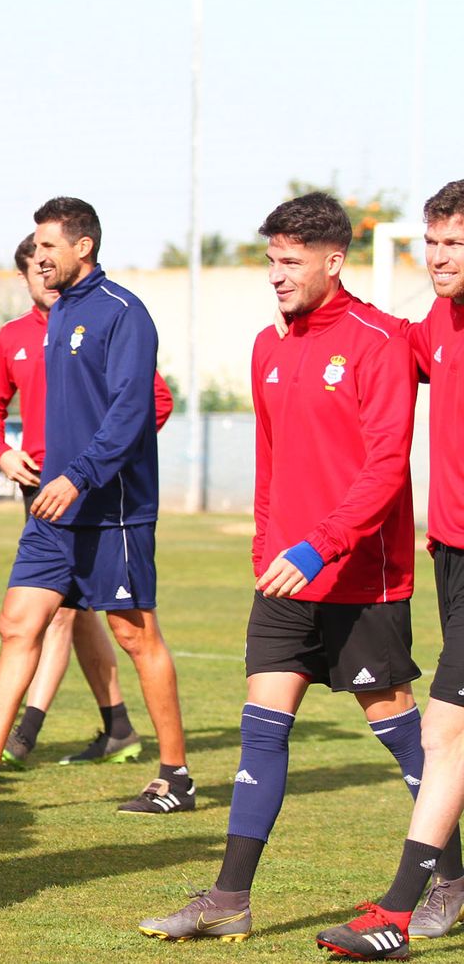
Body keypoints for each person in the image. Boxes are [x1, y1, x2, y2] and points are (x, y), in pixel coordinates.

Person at [140, 191, 424, 944]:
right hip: (286, 579)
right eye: (271, 259)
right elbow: (271, 464)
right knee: (261, 729)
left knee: (402, 738)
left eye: (291, 260)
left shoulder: (381, 339)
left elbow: (388, 467)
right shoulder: (270, 347)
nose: (276, 273)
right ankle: (230, 896)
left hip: (363, 578)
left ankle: (448, 879)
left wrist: (318, 545)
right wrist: (270, 545)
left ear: (335, 261)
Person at [0, 197, 189, 816]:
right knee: (18, 624)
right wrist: (23, 462)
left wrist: (80, 476)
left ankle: (176, 775)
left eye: (49, 244)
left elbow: (134, 410)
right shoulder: (55, 319)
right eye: (36, 246)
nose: (40, 255)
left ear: (83, 246)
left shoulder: (123, 313)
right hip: (53, 509)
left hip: (112, 509)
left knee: (136, 636)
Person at [313, 181, 464, 959]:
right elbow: (367, 342)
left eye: (454, 245)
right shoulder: (435, 326)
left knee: (444, 729)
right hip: (453, 555)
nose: (438, 258)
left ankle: (399, 912)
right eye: (432, 243)